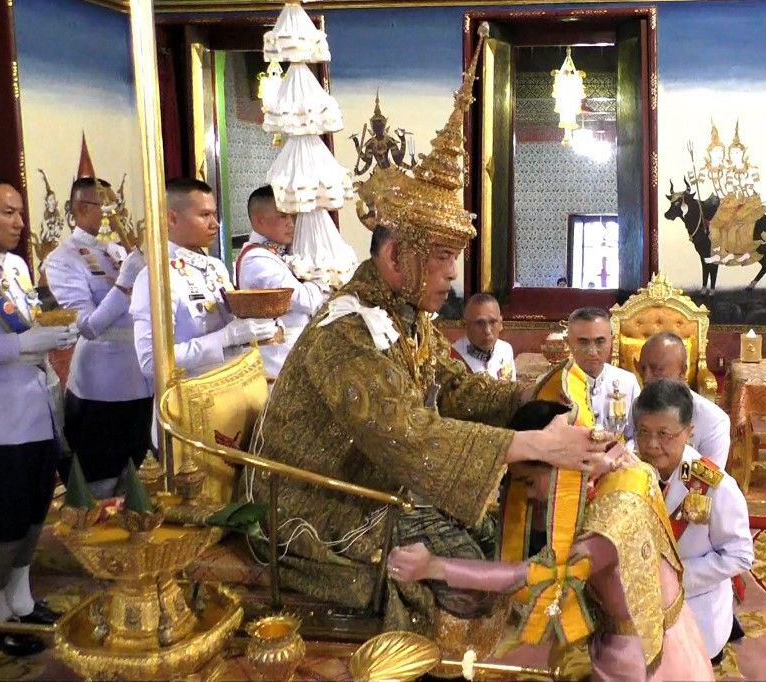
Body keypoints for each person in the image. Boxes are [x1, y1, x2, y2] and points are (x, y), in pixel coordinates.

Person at [247, 53, 615, 634]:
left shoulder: (404, 316)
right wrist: (534, 445)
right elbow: (404, 432)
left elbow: (452, 387)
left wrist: (532, 398)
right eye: (443, 257)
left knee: (492, 527)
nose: (452, 274)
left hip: (377, 476)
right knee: (472, 577)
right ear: (397, 256)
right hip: (321, 501)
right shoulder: (346, 332)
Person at [388, 400, 715, 682]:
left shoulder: (609, 524)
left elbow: (531, 575)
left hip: (636, 655)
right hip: (666, 629)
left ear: (560, 465)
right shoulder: (622, 467)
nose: (528, 496)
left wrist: (433, 566)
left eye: (529, 482)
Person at [0, 179, 79, 656]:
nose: (20, 223)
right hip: (0, 420)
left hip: (37, 408)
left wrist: (53, 336)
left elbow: (29, 320)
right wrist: (21, 345)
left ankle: (22, 601)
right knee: (4, 521)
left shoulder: (16, 267)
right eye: (8, 213)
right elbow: (14, 340)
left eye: (20, 213)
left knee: (34, 511)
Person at [44, 177, 153, 498]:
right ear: (81, 209)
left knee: (138, 481)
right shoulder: (62, 259)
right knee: (99, 483)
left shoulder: (117, 251)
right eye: (106, 208)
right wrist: (126, 280)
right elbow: (89, 326)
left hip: (139, 378)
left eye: (115, 206)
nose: (115, 215)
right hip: (101, 384)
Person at [632, 380, 753, 667]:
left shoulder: (714, 485)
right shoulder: (631, 471)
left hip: (695, 606)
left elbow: (740, 555)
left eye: (665, 434)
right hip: (640, 605)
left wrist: (674, 578)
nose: (652, 445)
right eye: (643, 432)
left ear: (689, 432)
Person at [130, 178, 277, 382]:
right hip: (192, 394)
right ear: (172, 218)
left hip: (234, 385)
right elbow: (151, 361)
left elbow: (230, 323)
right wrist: (224, 338)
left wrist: (255, 329)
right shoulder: (157, 276)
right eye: (204, 215)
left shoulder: (215, 266)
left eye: (214, 214)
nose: (215, 223)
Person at [234, 185, 328, 377]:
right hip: (276, 361)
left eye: (291, 216)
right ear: (259, 220)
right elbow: (306, 301)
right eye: (283, 216)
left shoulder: (274, 253)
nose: (291, 224)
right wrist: (323, 279)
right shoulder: (257, 260)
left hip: (292, 354)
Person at [638, 332, 731, 469]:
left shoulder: (714, 421)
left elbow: (708, 477)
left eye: (657, 370)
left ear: (682, 372)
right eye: (642, 369)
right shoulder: (639, 405)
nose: (646, 378)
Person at [560, 307, 640, 439]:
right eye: (583, 342)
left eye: (600, 341)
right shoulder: (558, 384)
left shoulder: (627, 382)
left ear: (612, 341)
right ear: (568, 343)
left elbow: (637, 435)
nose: (592, 351)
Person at [450, 292, 515, 381]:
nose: (487, 331)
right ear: (465, 325)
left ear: (501, 323)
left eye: (492, 322)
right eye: (480, 323)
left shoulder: (505, 350)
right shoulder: (452, 359)